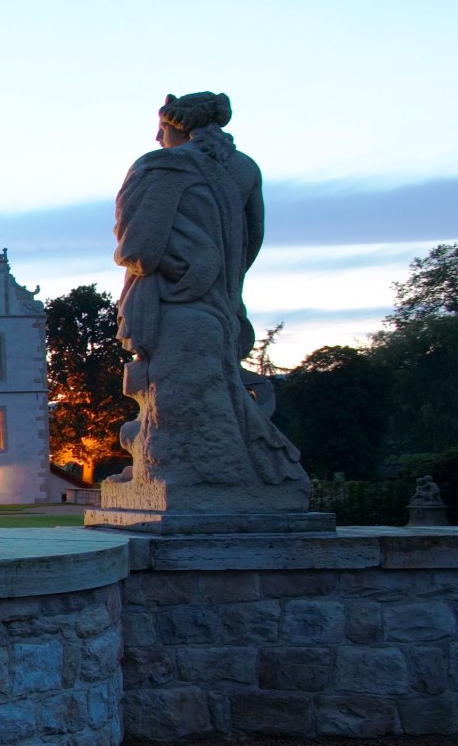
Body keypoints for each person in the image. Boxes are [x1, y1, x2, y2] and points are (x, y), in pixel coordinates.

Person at [103, 93, 307, 508]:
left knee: (176, 405)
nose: (156, 137)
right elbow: (252, 239)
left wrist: (178, 265)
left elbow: (137, 248)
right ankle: (232, 477)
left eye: (161, 129)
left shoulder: (159, 166)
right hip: (221, 303)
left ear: (175, 125)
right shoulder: (245, 168)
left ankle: (173, 475)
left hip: (173, 305)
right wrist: (217, 274)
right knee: (215, 396)